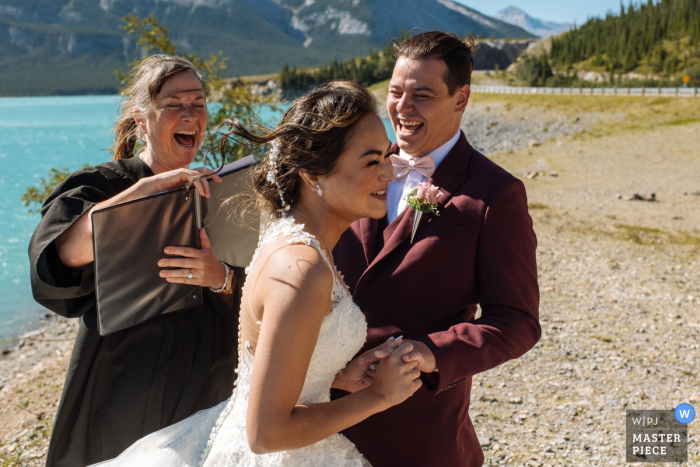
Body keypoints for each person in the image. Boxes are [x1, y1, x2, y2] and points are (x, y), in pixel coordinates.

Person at [89, 80, 421, 467]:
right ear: (314, 173)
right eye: (371, 161)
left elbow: (270, 360)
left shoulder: (291, 240)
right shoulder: (302, 268)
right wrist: (377, 397)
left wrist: (333, 374)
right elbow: (266, 434)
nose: (389, 174)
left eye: (386, 156)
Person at [332, 31, 541, 467]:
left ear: (460, 98)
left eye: (422, 95)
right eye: (394, 92)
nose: (402, 109)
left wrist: (430, 352)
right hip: (322, 413)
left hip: (418, 434)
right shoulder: (351, 165)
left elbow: (517, 321)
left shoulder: (495, 194)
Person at [28, 55, 243, 467]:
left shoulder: (222, 190)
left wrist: (220, 277)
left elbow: (253, 289)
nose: (190, 114)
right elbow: (59, 256)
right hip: (124, 388)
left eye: (198, 103)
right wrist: (146, 191)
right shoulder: (104, 184)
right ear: (141, 119)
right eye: (174, 103)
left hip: (209, 384)